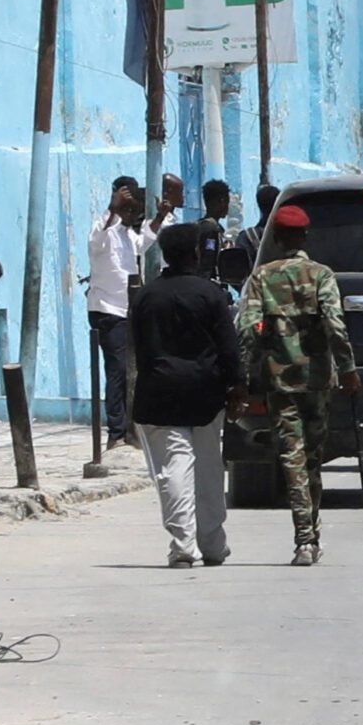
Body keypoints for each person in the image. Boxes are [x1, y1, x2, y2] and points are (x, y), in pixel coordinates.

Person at [238, 203, 359, 565]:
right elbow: (335, 325)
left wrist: (245, 374)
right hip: (319, 381)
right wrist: (348, 368)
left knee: (291, 457)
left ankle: (304, 538)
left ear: (275, 237)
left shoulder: (262, 277)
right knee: (312, 458)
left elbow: (248, 328)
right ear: (304, 236)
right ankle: (311, 534)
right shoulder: (321, 275)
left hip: (280, 380)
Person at [132, 222, 244, 568]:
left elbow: (138, 349)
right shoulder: (211, 294)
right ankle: (212, 544)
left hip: (160, 393)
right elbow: (229, 347)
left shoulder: (147, 296)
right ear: (196, 253)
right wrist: (238, 387)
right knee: (210, 468)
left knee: (174, 468)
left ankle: (183, 545)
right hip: (205, 394)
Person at [83, 179, 157, 442]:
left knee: (129, 371)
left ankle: (129, 427)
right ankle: (116, 431)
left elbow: (144, 242)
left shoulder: (127, 234)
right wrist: (112, 209)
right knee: (116, 370)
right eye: (128, 211)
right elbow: (97, 240)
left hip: (126, 310)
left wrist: (161, 216)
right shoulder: (104, 230)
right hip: (106, 309)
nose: (132, 216)